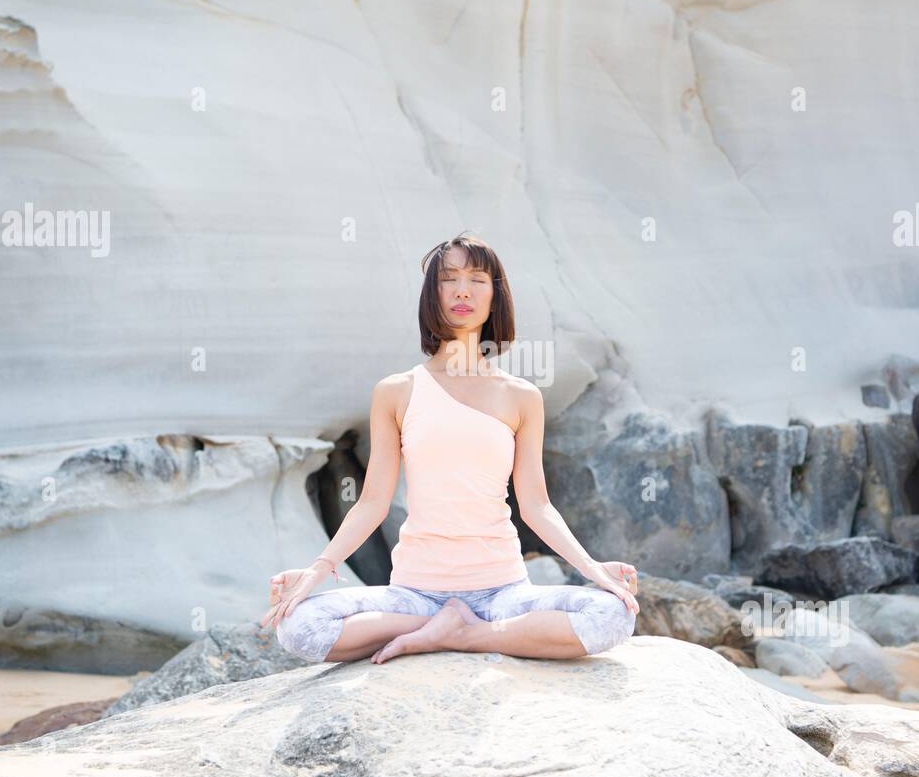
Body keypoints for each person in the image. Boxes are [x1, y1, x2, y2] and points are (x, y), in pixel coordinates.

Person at [261, 232, 639, 664]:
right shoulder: (397, 392)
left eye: (478, 278)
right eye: (449, 278)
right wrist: (316, 572)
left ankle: (463, 634)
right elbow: (371, 503)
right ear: (432, 294)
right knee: (299, 627)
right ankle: (446, 628)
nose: (463, 289)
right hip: (415, 594)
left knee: (612, 614)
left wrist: (592, 571)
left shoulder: (521, 397)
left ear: (495, 295)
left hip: (504, 593)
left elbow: (537, 506)